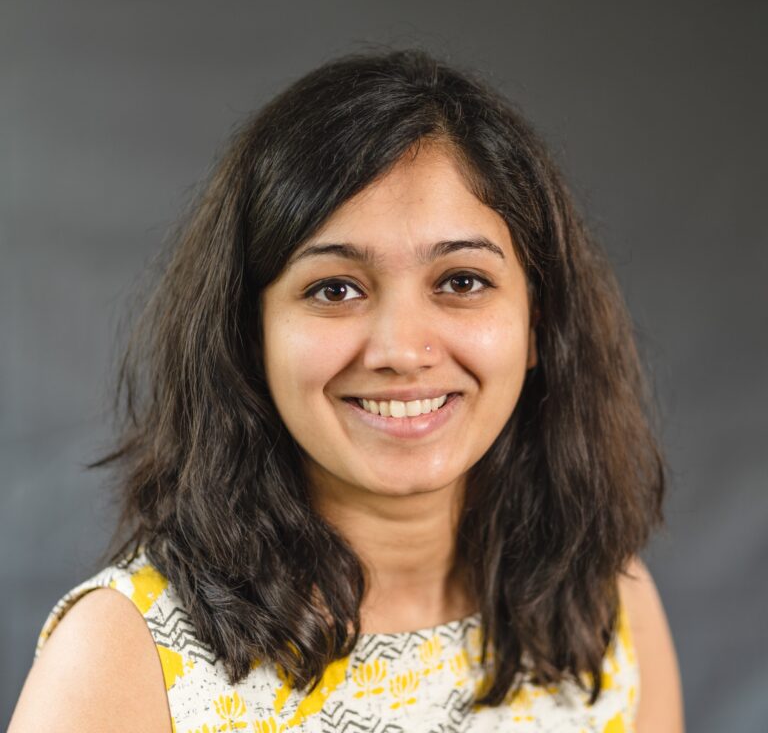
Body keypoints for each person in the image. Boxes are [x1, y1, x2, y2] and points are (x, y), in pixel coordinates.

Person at [9, 48, 684, 732]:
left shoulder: (607, 608)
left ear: (538, 323)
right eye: (335, 290)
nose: (402, 352)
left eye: (462, 281)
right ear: (249, 333)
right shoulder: (125, 656)